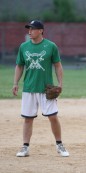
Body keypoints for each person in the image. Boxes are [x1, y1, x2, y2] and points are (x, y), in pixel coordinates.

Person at [12, 20, 69, 157]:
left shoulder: (51, 46)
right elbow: (19, 66)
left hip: (45, 89)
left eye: (32, 29)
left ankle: (59, 145)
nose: (29, 31)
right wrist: (15, 83)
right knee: (28, 119)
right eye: (29, 29)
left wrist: (60, 83)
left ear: (41, 31)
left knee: (53, 117)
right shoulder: (24, 47)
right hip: (29, 89)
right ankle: (25, 147)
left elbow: (57, 65)